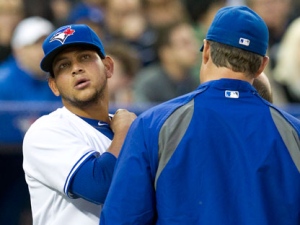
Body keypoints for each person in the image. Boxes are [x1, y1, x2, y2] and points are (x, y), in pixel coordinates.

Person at [100, 6, 300, 224]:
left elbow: (121, 219)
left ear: (206, 50)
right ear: (262, 65)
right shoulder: (293, 132)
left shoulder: (154, 124)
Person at [22, 24, 137, 225]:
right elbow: (100, 185)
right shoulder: (45, 131)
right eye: (63, 66)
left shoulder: (128, 129)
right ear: (54, 86)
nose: (76, 68)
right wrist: (127, 131)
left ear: (108, 67)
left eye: (84, 57)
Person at [133, 21, 199, 104]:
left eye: (194, 42)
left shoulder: (195, 83)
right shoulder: (148, 84)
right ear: (166, 53)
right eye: (185, 43)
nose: (195, 48)